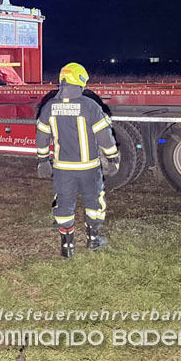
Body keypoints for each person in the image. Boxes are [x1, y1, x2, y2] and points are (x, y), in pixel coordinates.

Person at [36, 63, 120, 258]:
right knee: (94, 203)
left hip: (62, 169)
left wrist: (43, 161)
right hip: (89, 168)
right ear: (80, 81)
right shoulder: (90, 106)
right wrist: (112, 157)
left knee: (64, 204)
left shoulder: (49, 107)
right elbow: (105, 137)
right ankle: (93, 240)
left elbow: (41, 137)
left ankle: (67, 248)